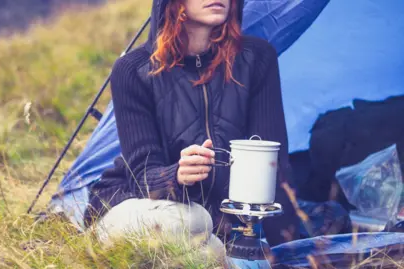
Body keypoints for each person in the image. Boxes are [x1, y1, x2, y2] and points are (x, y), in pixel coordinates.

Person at [84, 0, 301, 252]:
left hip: (219, 228)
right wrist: (176, 175)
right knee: (192, 222)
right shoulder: (134, 70)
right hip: (144, 205)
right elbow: (141, 176)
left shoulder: (256, 59)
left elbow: (274, 166)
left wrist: (290, 251)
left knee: (213, 249)